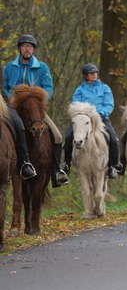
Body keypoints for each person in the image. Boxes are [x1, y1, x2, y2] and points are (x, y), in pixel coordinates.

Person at [3, 34, 67, 185]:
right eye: (24, 46)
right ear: (19, 49)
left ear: (34, 50)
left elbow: (49, 87)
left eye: (30, 46)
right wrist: (10, 100)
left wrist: (38, 101)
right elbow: (4, 87)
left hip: (34, 110)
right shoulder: (10, 67)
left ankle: (56, 172)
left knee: (57, 136)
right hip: (13, 108)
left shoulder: (42, 67)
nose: (27, 49)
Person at [63, 64, 121, 179]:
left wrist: (100, 113)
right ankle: (66, 165)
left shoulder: (105, 88)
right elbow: (75, 105)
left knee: (113, 138)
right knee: (69, 136)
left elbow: (109, 104)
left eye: (95, 72)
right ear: (85, 76)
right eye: (91, 73)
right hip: (83, 120)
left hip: (101, 118)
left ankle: (113, 166)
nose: (94, 74)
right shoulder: (79, 90)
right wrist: (83, 114)